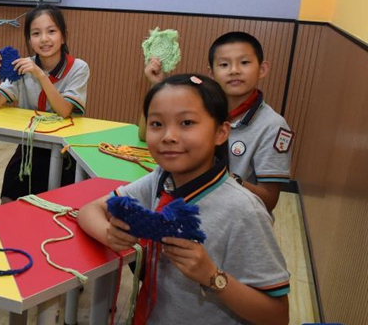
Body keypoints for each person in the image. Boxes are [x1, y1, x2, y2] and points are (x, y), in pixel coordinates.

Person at [79, 74, 290, 325]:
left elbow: (278, 315)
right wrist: (108, 233)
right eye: (157, 124)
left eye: (187, 122)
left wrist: (212, 276)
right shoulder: (162, 179)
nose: (169, 136)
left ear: (221, 132)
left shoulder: (244, 210)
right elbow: (89, 210)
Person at [144, 32, 292, 212]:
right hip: (190, 212)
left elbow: (269, 200)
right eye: (224, 64)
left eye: (244, 62)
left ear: (262, 69)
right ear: (211, 73)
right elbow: (144, 135)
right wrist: (156, 85)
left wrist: (220, 176)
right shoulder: (199, 111)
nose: (234, 70)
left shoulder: (273, 126)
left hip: (235, 220)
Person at [0, 4, 89, 202]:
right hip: (30, 150)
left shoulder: (78, 68)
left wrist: (40, 75)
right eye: (36, 33)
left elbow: (64, 110)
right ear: (29, 40)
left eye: (51, 31)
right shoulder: (23, 66)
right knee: (7, 201)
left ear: (64, 36)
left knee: (55, 209)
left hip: (66, 154)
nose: (44, 39)